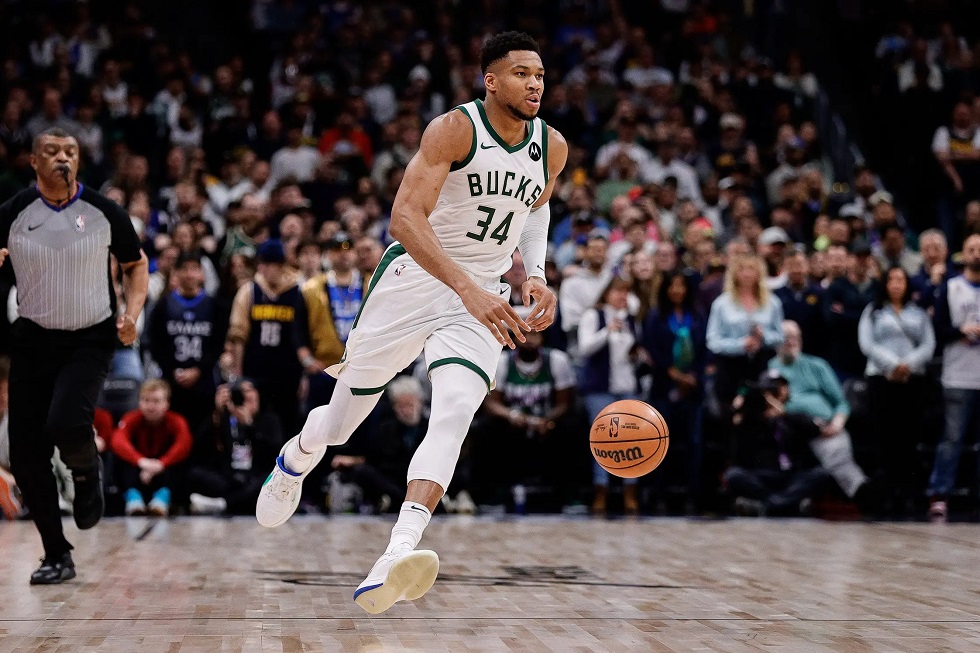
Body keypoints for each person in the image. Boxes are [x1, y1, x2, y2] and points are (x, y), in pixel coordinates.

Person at [255, 31, 567, 614]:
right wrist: (466, 287)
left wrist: (536, 273)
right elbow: (403, 219)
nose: (535, 84)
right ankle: (296, 457)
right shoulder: (454, 130)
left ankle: (397, 551)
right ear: (491, 80)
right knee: (341, 426)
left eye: (541, 75)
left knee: (455, 410)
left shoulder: (552, 146)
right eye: (522, 73)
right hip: (415, 280)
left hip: (483, 294)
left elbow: (537, 208)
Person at [0, 127, 148, 584]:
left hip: (90, 338)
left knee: (66, 421)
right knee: (26, 455)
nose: (62, 158)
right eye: (52, 151)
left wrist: (132, 312)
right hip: (32, 339)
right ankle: (56, 553)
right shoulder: (13, 212)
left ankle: (86, 473)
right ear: (34, 161)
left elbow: (136, 264)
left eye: (70, 151)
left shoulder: (104, 211)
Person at [858, 267, 935, 514]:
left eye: (901, 280)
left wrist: (907, 365)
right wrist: (892, 365)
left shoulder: (918, 313)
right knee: (885, 436)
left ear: (907, 285)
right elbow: (867, 343)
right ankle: (886, 493)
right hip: (881, 379)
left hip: (911, 381)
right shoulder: (873, 311)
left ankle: (907, 492)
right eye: (891, 279)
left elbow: (928, 344)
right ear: (885, 284)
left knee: (908, 436)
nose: (896, 284)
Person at [110, 379, 193, 517]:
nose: (150, 406)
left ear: (167, 404)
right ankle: (133, 498)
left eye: (156, 401)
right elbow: (118, 441)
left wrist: (161, 464)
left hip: (164, 473)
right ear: (139, 402)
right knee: (119, 459)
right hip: (138, 472)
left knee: (181, 462)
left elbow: (184, 444)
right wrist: (141, 461)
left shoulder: (177, 421)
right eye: (146, 400)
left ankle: (163, 498)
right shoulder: (130, 418)